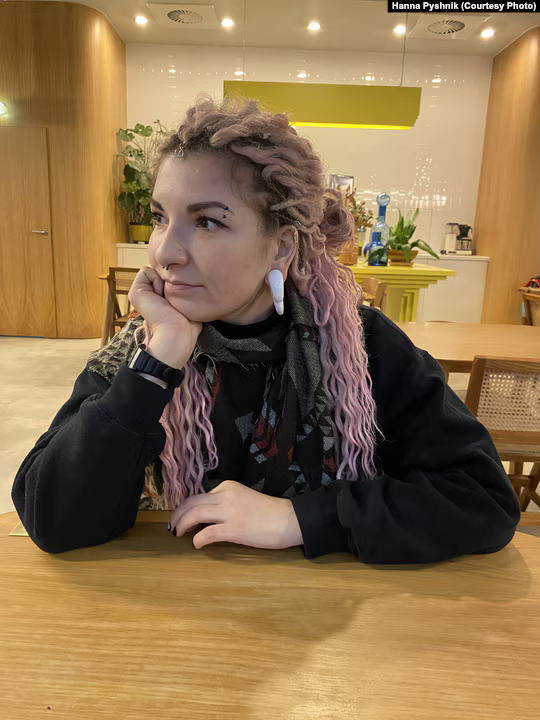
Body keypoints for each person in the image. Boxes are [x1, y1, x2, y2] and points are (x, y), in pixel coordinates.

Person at [12, 94, 520, 562]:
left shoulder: (358, 346)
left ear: (280, 246)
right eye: (160, 217)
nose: (165, 252)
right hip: (175, 612)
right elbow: (53, 520)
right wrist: (156, 364)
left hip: (326, 618)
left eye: (208, 222)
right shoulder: (139, 349)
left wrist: (299, 518)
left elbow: (482, 499)